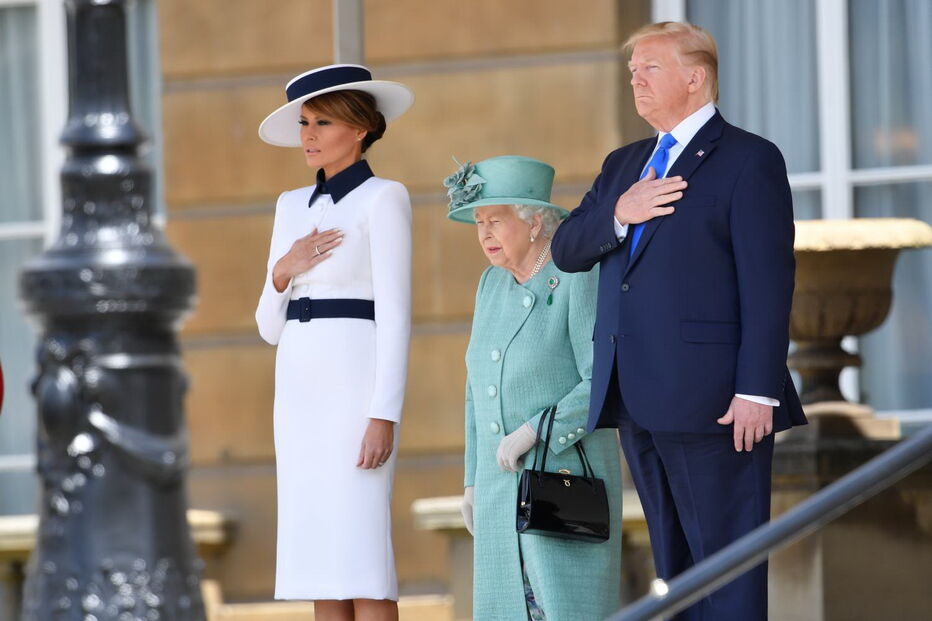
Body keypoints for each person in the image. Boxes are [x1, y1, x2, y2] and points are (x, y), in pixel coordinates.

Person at [550, 22, 807, 621]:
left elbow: (770, 286)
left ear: (695, 78)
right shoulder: (624, 166)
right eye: (632, 71)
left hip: (719, 404)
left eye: (650, 69)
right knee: (677, 577)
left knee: (731, 573)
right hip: (636, 398)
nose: (635, 81)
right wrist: (619, 211)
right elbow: (567, 249)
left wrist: (756, 390)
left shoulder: (749, 159)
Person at [255, 64, 414, 621]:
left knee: (364, 557)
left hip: (354, 388)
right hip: (298, 391)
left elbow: (396, 316)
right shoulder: (288, 205)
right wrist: (284, 268)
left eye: (322, 122)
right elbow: (267, 327)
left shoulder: (384, 198)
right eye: (304, 123)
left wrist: (383, 414)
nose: (309, 135)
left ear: (361, 129)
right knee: (322, 561)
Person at [447, 155, 623, 620]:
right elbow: (474, 388)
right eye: (478, 222)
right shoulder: (490, 285)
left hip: (562, 484)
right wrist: (471, 480)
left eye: (495, 221)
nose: (484, 233)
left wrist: (535, 430)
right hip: (497, 487)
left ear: (534, 222)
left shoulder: (577, 276)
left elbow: (601, 380)